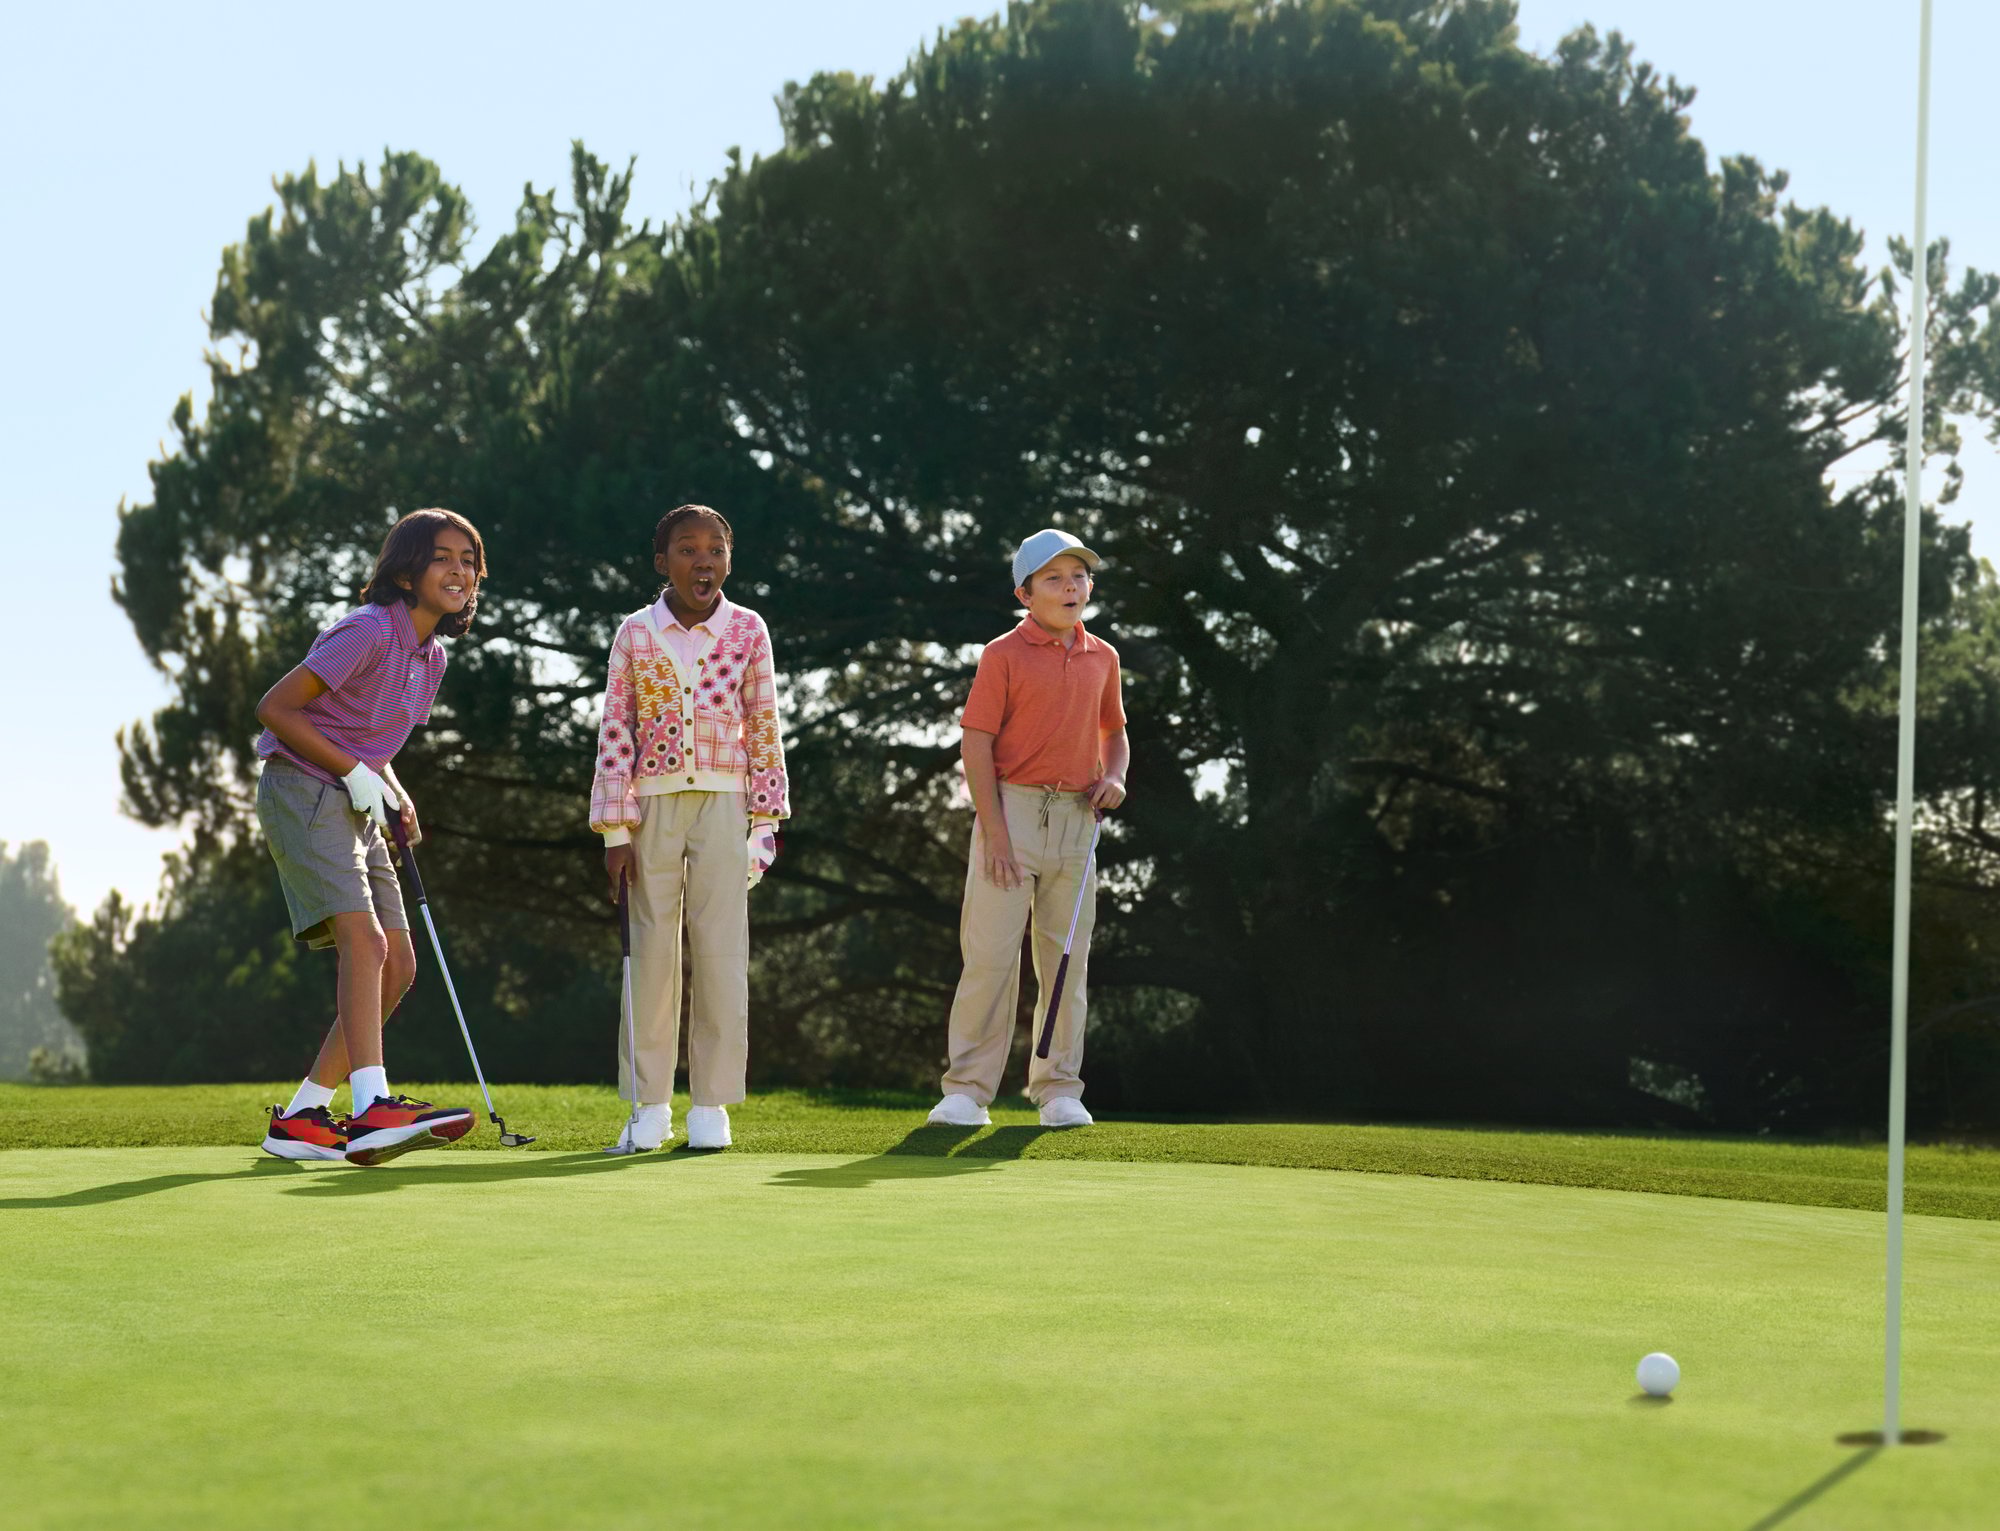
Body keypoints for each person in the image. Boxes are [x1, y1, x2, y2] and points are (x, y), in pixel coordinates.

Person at [252, 508, 484, 1166]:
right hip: (300, 788)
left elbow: (369, 740)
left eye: (469, 560)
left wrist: (396, 792)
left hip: (353, 797)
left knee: (399, 963)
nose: (459, 570)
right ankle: (372, 1108)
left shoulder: (430, 657)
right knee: (366, 939)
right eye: (444, 557)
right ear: (407, 570)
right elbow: (275, 707)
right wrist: (355, 771)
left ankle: (299, 1116)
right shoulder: (366, 632)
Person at [591, 504, 789, 1151]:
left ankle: (712, 1107)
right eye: (687, 549)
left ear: (728, 561)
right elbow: (616, 732)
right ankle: (649, 1107)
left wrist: (765, 823)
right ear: (662, 562)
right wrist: (615, 829)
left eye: (715, 550)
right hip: (651, 807)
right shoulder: (634, 633)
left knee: (722, 953)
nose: (702, 561)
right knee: (650, 956)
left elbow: (763, 726)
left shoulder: (749, 630)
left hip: (728, 805)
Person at [928, 528, 1128, 1130]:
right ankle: (967, 1091)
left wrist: (1115, 776)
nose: (1071, 588)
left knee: (1066, 960)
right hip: (1010, 812)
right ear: (1025, 593)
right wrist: (995, 835)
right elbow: (977, 742)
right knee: (989, 957)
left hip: (1078, 820)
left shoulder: (1104, 657)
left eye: (1079, 577)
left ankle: (1059, 1087)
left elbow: (1113, 732)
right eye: (1054, 579)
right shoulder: (1003, 655)